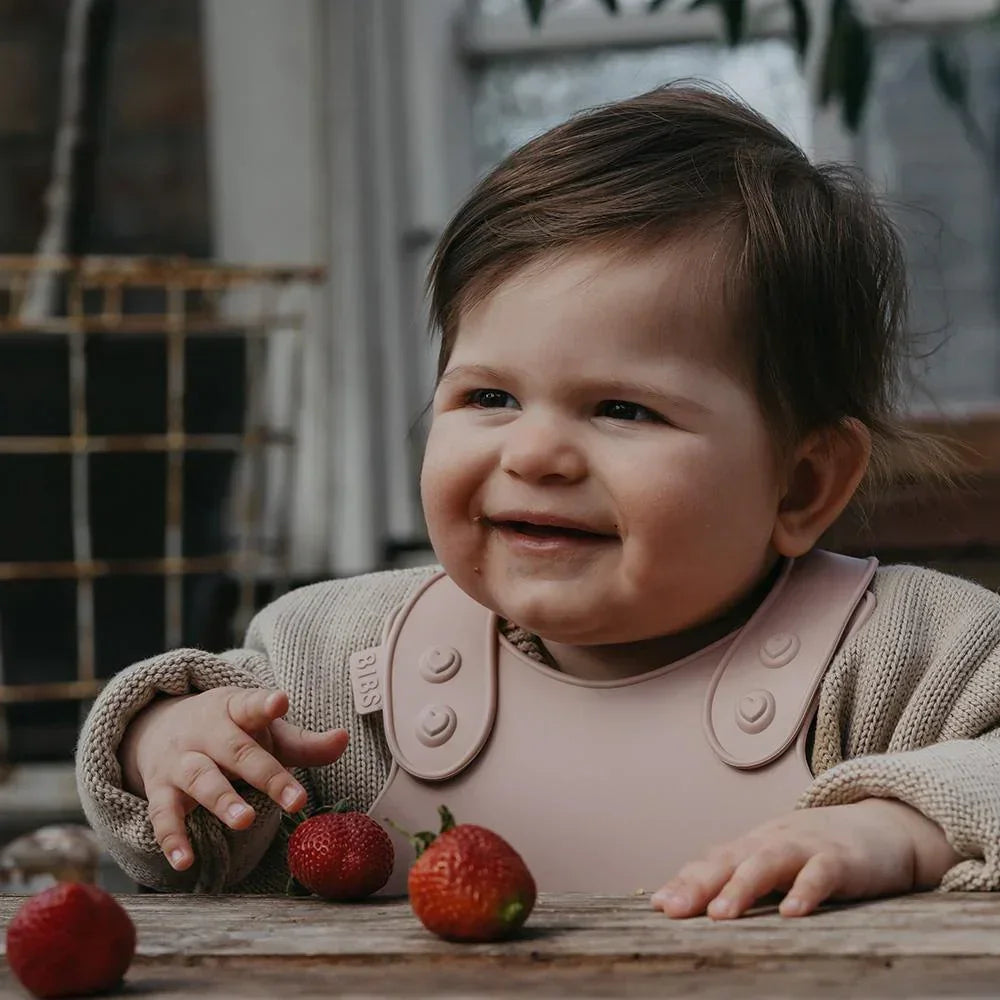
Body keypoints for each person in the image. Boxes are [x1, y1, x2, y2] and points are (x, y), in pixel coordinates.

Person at [76, 85, 1000, 919]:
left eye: (623, 409)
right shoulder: (335, 663)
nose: (538, 452)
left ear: (801, 484)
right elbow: (188, 846)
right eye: (489, 397)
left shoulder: (913, 657)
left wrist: (899, 825)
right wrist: (161, 740)